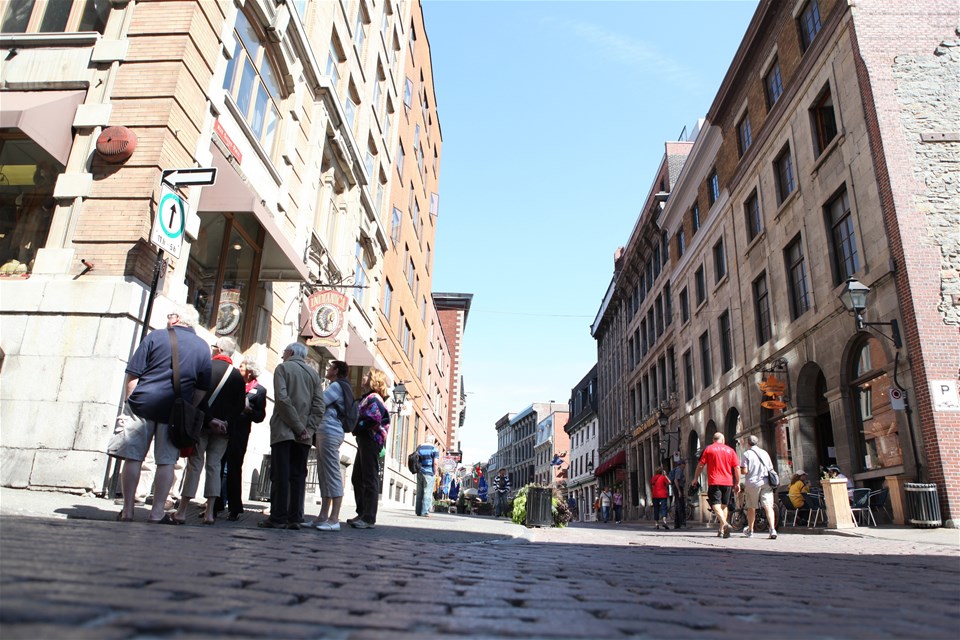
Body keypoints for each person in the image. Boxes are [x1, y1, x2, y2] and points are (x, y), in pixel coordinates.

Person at [107, 304, 211, 524]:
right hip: (175, 411)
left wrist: (129, 402)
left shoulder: (155, 337)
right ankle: (156, 514)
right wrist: (187, 406)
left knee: (133, 457)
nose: (167, 318)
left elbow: (133, 375)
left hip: (143, 404)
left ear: (176, 319)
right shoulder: (203, 347)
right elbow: (202, 387)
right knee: (166, 462)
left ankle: (127, 511)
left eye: (169, 315)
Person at [174, 337, 245, 525]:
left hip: (202, 425)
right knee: (215, 467)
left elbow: (198, 396)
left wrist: (209, 419)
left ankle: (181, 510)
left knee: (195, 465)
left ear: (218, 349)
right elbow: (239, 407)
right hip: (224, 430)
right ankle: (210, 512)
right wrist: (225, 422)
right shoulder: (238, 377)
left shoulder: (207, 368)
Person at [259, 343, 322, 530]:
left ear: (291, 352)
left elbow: (282, 399)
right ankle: (295, 517)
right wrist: (307, 430)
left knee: (281, 474)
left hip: (284, 431)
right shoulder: (314, 375)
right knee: (298, 475)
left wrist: (297, 426)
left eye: (284, 351)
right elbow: (319, 407)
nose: (282, 354)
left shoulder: (283, 368)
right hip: (303, 436)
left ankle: (278, 517)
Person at [309, 361, 351, 531]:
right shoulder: (338, 386)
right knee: (323, 473)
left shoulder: (336, 387)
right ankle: (322, 515)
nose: (327, 369)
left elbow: (320, 403)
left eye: (330, 367)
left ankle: (334, 519)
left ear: (336, 371)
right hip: (326, 431)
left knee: (332, 473)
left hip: (330, 431)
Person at [223, 356, 266, 521]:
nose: (238, 368)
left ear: (249, 370)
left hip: (240, 432)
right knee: (219, 466)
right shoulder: (232, 384)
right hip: (225, 428)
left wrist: (249, 411)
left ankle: (234, 508)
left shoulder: (259, 390)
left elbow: (260, 416)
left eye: (241, 365)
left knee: (234, 468)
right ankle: (216, 503)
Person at [348, 368, 391, 529]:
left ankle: (368, 518)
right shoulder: (369, 398)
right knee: (358, 478)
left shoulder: (374, 399)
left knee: (368, 478)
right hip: (366, 440)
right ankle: (362, 512)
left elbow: (373, 419)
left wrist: (356, 427)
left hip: (370, 440)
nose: (364, 376)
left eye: (367, 375)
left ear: (373, 380)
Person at [693, 432, 741, 538]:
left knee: (715, 504)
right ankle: (721, 530)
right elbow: (737, 467)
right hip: (728, 482)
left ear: (713, 440)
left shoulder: (709, 449)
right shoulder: (730, 450)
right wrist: (737, 482)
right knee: (723, 505)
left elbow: (701, 465)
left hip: (714, 481)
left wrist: (696, 478)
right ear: (723, 440)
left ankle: (724, 524)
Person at [739, 434, 778, 539]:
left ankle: (751, 531)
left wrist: (740, 469)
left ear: (748, 443)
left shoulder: (746, 454)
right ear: (757, 442)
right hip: (766, 482)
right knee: (768, 506)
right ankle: (772, 530)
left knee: (751, 508)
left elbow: (745, 471)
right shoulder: (764, 453)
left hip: (753, 484)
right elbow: (770, 467)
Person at [414, 438, 440, 517]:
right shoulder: (434, 449)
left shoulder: (419, 448)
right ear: (432, 441)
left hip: (419, 472)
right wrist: (435, 473)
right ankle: (424, 512)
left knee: (419, 492)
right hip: (429, 473)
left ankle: (418, 511)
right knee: (427, 492)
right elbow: (435, 463)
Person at [669, 458, 687, 529]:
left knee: (678, 505)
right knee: (680, 505)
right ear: (681, 464)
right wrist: (679, 491)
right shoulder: (679, 470)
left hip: (676, 488)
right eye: (684, 464)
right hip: (678, 488)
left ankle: (677, 524)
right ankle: (681, 523)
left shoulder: (677, 469)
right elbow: (676, 480)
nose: (685, 465)